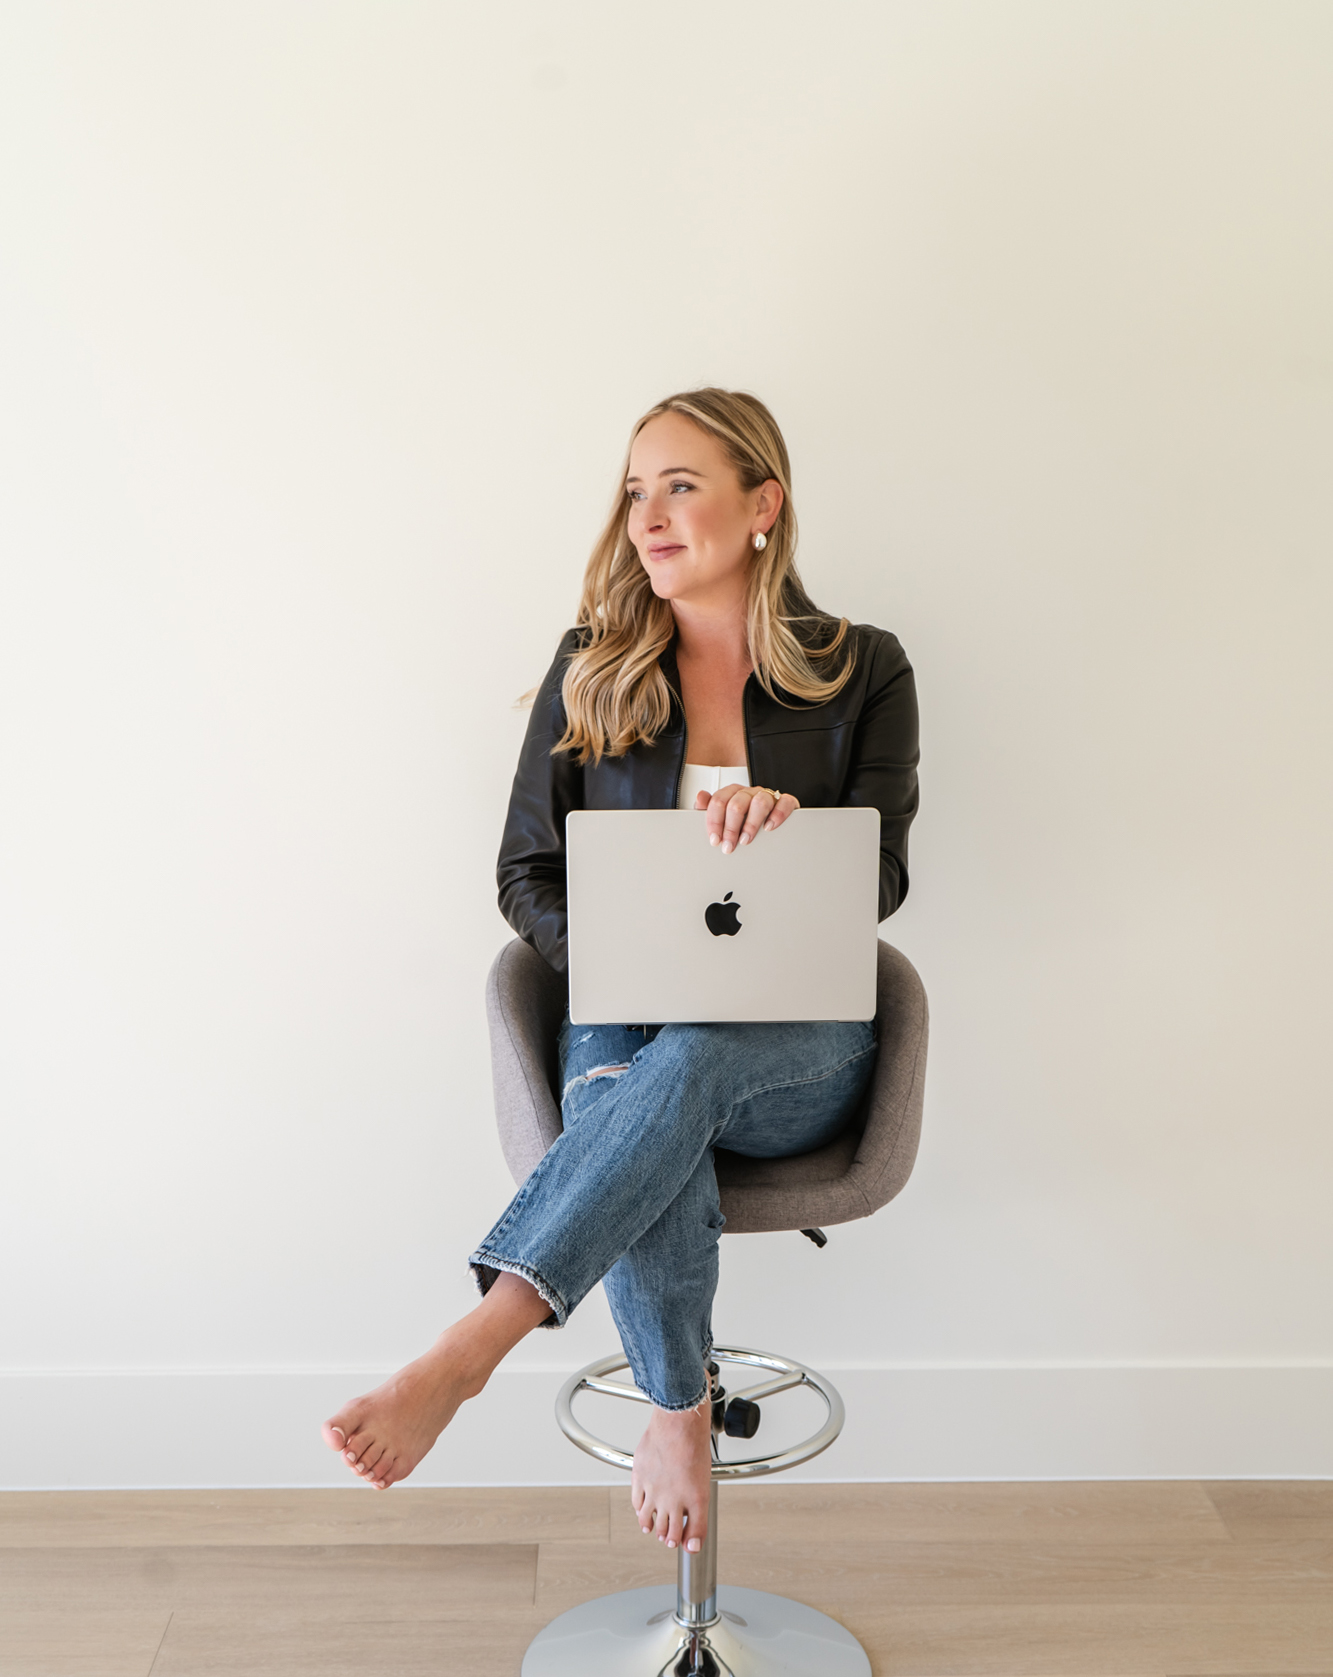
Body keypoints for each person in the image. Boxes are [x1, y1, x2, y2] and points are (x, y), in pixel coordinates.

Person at [323, 388, 919, 1555]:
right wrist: (625, 956)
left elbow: (883, 875)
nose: (647, 515)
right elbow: (524, 871)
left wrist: (791, 830)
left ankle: (473, 1348)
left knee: (681, 1063)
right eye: (636, 489)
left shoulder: (865, 668)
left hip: (800, 1038)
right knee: (648, 1085)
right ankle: (678, 1404)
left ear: (763, 503)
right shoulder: (591, 664)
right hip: (621, 1012)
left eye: (680, 486)